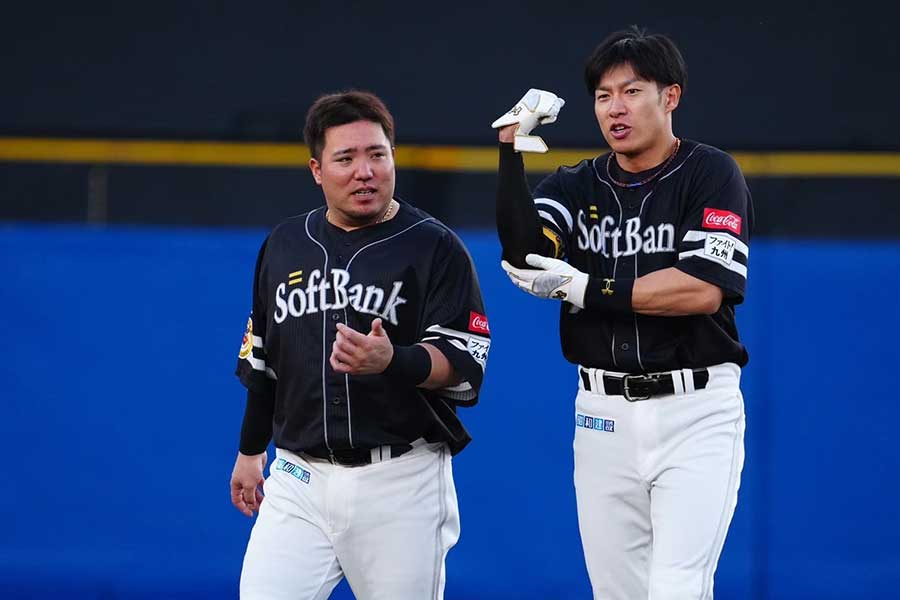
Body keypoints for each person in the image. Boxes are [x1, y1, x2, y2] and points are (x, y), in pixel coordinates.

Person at [491, 26, 753, 599]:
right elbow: (523, 251)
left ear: (670, 97)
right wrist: (510, 150)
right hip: (602, 412)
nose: (615, 108)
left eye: (632, 91)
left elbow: (704, 287)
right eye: (604, 95)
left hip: (697, 409)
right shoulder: (576, 181)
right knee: (617, 592)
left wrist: (590, 288)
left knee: (677, 586)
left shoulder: (710, 173)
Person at [231, 90, 491, 600]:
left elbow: (464, 364)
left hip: (399, 478)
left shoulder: (434, 245)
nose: (364, 171)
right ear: (316, 170)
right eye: (345, 158)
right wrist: (248, 451)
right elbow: (263, 360)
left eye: (377, 154)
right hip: (298, 478)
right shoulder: (284, 244)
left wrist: (394, 360)